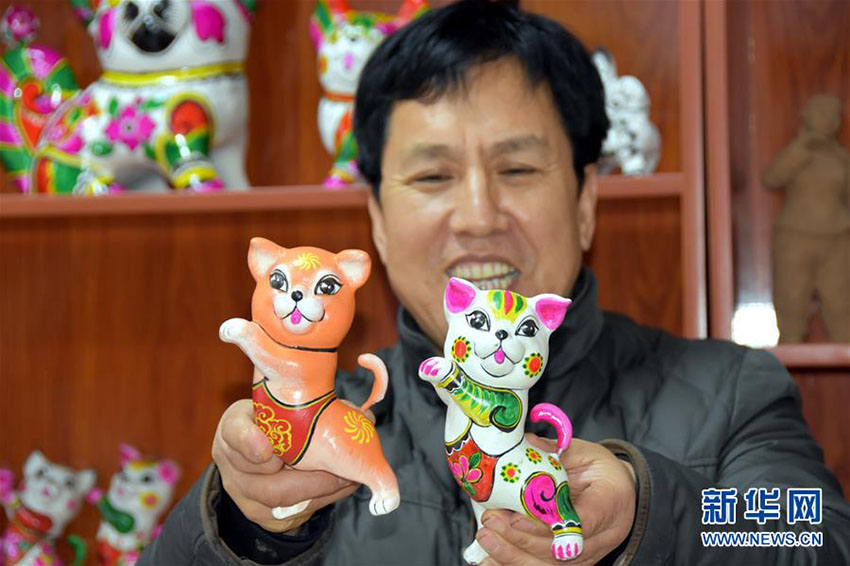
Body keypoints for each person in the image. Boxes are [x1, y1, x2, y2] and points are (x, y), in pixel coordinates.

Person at [139, 1, 850, 565]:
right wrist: (244, 523)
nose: (478, 217)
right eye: (432, 176)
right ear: (377, 221)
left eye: (518, 169)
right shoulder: (326, 423)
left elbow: (815, 534)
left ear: (585, 201)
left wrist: (652, 511)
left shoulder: (731, 392)